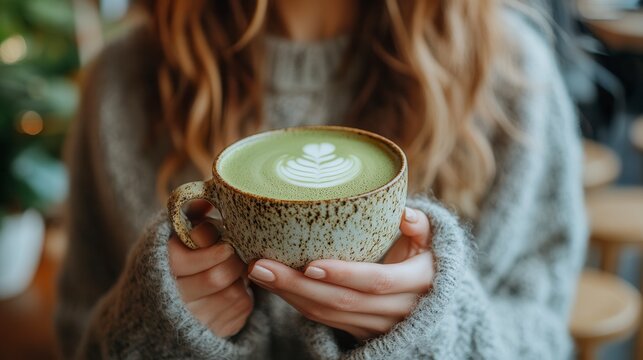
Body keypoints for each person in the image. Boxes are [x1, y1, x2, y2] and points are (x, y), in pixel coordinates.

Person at [55, 0, 587, 358]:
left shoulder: (510, 76)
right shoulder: (121, 85)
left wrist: (440, 336)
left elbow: (543, 336)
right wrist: (152, 330)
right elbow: (80, 330)